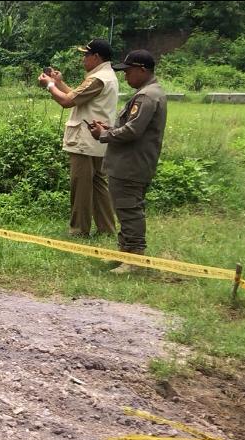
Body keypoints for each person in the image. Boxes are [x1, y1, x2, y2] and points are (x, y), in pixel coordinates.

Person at [88, 50, 167, 274]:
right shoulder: (149, 93)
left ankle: (135, 260)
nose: (126, 76)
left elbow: (132, 131)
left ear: (142, 70)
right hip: (129, 162)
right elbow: (131, 127)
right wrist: (109, 129)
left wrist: (103, 135)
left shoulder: (147, 96)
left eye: (129, 71)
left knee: (130, 210)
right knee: (124, 209)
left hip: (131, 164)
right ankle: (125, 254)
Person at [39, 39, 119, 238]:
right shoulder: (107, 76)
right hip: (98, 140)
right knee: (99, 185)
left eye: (85, 55)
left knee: (81, 185)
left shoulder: (97, 78)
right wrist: (59, 83)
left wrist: (49, 85)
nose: (83, 59)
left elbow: (68, 101)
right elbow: (77, 97)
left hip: (85, 140)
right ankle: (107, 229)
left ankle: (78, 231)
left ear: (96, 57)